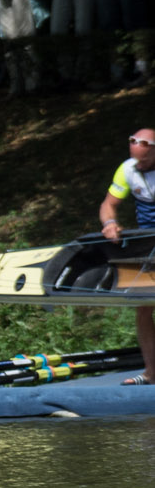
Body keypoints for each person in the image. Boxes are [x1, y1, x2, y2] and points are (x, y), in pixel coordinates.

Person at [98, 128, 155, 383]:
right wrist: (110, 222)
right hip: (147, 242)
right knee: (143, 307)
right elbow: (108, 204)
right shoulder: (127, 169)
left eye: (144, 160)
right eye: (137, 160)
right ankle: (151, 373)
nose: (139, 165)